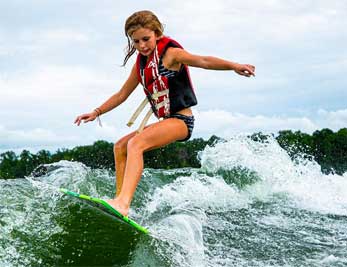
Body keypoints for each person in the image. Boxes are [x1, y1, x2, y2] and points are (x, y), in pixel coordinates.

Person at [74, 10, 255, 217]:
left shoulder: (171, 54)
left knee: (136, 144)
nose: (142, 45)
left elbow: (203, 61)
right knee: (120, 146)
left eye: (146, 39)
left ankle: (123, 203)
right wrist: (96, 112)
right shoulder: (140, 64)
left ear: (157, 34)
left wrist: (234, 66)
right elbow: (122, 94)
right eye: (136, 41)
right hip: (167, 120)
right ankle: (120, 202)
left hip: (182, 120)